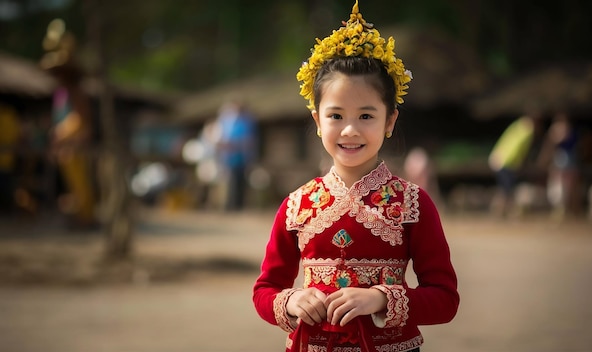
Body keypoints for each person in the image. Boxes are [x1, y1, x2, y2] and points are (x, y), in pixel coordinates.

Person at [252, 2, 459, 351]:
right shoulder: (296, 205)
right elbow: (265, 290)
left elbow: (444, 299)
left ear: (389, 121)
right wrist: (290, 301)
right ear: (318, 122)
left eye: (366, 116)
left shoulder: (413, 203)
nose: (350, 130)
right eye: (336, 116)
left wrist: (380, 299)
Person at [40, 19, 97, 229]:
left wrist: (61, 133)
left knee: (82, 185)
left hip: (76, 144)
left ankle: (86, 218)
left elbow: (81, 120)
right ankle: (80, 216)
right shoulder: (61, 93)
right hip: (66, 145)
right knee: (72, 186)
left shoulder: (76, 91)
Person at [488, 113, 540, 217]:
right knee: (507, 189)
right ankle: (506, 211)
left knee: (505, 188)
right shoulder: (527, 130)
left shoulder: (517, 126)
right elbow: (519, 148)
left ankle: (501, 211)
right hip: (506, 162)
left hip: (501, 159)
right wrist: (519, 162)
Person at [214, 99, 258, 211]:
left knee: (239, 181)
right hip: (228, 157)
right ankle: (229, 204)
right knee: (229, 181)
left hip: (241, 156)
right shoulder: (226, 121)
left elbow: (248, 140)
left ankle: (237, 205)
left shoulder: (246, 122)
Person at [537, 112, 580, 220]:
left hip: (566, 163)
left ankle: (570, 211)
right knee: (560, 187)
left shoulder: (569, 133)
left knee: (567, 188)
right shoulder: (561, 132)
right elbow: (550, 147)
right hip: (560, 163)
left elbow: (550, 146)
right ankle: (562, 210)